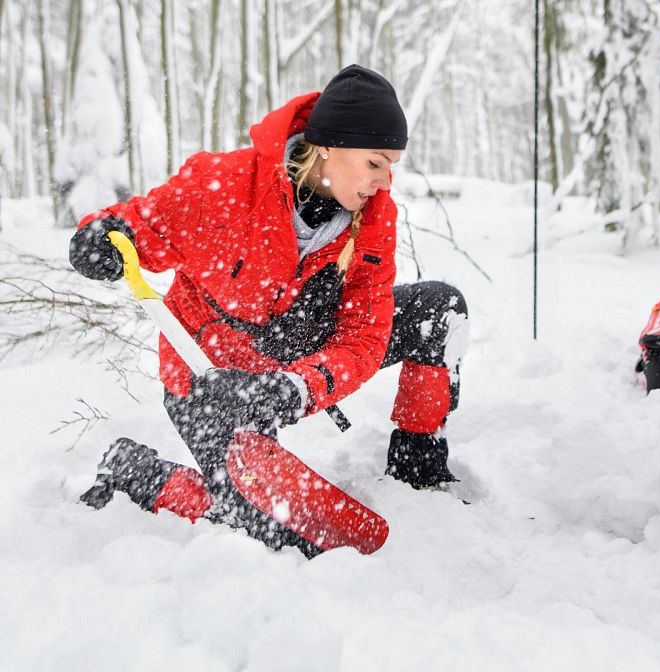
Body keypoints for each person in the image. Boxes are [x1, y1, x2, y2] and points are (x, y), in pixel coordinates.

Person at [70, 64, 469, 557]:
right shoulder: (228, 184)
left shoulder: (375, 219)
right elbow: (142, 223)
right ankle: (142, 473)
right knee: (278, 535)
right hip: (213, 378)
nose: (385, 179)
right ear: (330, 146)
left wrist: (296, 388)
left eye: (391, 164)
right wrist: (103, 235)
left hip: (296, 358)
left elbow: (364, 337)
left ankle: (419, 468)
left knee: (438, 309)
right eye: (375, 162)